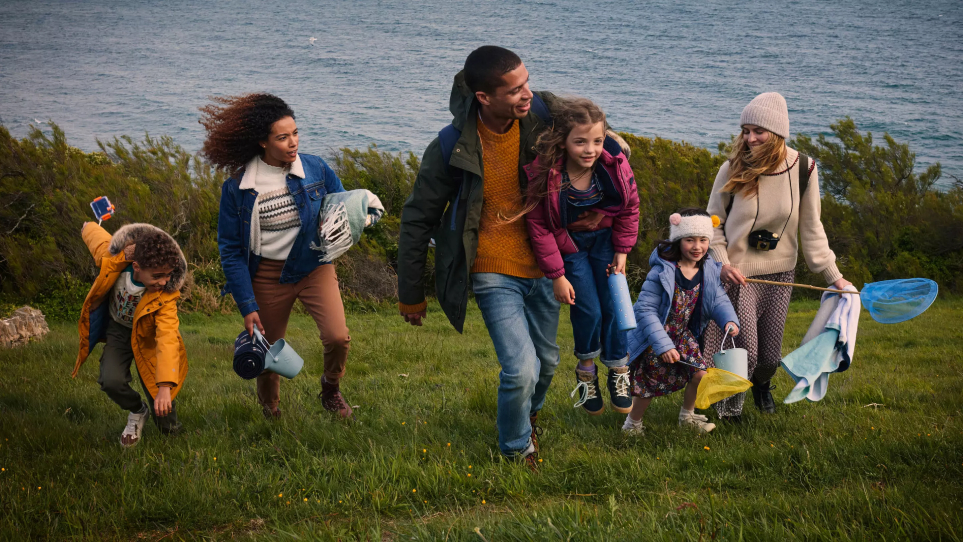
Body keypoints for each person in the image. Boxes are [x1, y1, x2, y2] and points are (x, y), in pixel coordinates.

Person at [202, 93, 354, 420]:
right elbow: (230, 250)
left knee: (338, 336)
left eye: (295, 133)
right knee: (267, 351)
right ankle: (270, 410)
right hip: (267, 275)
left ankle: (331, 387)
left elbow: (342, 205)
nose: (293, 142)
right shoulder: (238, 188)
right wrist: (247, 305)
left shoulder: (315, 168)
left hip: (313, 266)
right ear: (263, 141)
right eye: (282, 137)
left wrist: (358, 215)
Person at [704, 92, 851, 422]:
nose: (750, 138)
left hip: (781, 274)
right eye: (746, 131)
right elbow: (712, 224)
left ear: (778, 132)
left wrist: (834, 276)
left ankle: (761, 385)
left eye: (759, 131)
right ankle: (729, 409)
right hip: (739, 275)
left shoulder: (804, 169)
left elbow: (811, 227)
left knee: (769, 356)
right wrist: (723, 263)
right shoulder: (731, 169)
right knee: (744, 350)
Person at [521, 97, 639, 416]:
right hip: (570, 248)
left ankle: (619, 369)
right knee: (589, 309)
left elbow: (629, 207)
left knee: (615, 305)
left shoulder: (614, 164)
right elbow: (538, 226)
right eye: (580, 142)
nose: (590, 150)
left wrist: (622, 250)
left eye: (597, 141)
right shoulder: (546, 173)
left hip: (606, 243)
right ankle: (586, 370)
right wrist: (557, 275)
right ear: (563, 141)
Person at [622, 210, 739, 435]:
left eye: (703, 240)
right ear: (678, 240)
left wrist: (729, 320)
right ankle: (632, 424)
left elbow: (718, 300)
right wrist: (663, 345)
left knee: (700, 374)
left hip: (683, 334)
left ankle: (687, 417)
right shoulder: (663, 271)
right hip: (657, 336)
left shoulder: (708, 269)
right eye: (690, 240)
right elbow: (645, 310)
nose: (697, 246)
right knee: (650, 383)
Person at [72, 222, 188, 447]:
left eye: (168, 275)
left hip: (149, 339)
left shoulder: (166, 295)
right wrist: (87, 226)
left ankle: (171, 435)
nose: (164, 282)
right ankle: (137, 410)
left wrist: (165, 386)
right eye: (157, 276)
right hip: (119, 330)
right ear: (137, 266)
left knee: (161, 398)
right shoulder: (115, 262)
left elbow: (167, 337)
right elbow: (99, 241)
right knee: (110, 381)